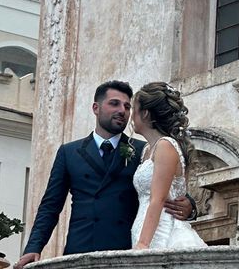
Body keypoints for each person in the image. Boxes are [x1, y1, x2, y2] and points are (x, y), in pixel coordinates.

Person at [15, 80, 194, 268]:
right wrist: (33, 247)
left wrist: (189, 206)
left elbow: (165, 188)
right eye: (114, 103)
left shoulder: (145, 150)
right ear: (96, 108)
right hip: (80, 250)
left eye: (127, 106)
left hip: (125, 251)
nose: (122, 111)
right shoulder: (69, 152)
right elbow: (50, 206)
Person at [131, 82, 206, 249]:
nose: (131, 116)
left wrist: (143, 244)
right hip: (146, 229)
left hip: (162, 233)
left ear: (145, 113)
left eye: (133, 110)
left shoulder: (165, 146)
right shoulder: (147, 150)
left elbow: (158, 198)